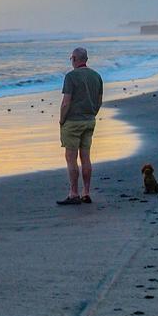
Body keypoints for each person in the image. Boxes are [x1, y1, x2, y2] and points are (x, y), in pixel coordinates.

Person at [57, 47, 103, 205]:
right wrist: (92, 114)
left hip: (73, 121)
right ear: (86, 60)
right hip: (89, 120)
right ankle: (86, 192)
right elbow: (99, 101)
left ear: (75, 59)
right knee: (86, 157)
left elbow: (66, 102)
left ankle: (74, 193)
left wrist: (62, 120)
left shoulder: (71, 77)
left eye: (71, 58)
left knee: (71, 158)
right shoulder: (96, 76)